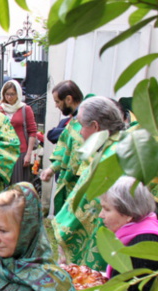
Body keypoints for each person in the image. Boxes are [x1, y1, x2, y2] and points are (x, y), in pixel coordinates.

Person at [52, 96, 126, 270]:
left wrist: (63, 236)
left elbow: (83, 207)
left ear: (95, 126)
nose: (79, 133)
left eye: (81, 126)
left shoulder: (108, 160)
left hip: (104, 241)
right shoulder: (120, 145)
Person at [40, 81, 85, 214]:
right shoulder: (74, 121)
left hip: (82, 183)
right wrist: (51, 169)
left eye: (58, 101)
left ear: (69, 99)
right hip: (71, 182)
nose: (56, 105)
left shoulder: (87, 119)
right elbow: (65, 149)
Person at [0, 79, 37, 184]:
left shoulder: (25, 109)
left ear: (18, 94)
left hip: (20, 152)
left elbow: (32, 132)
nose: (9, 97)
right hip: (3, 151)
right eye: (7, 94)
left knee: (18, 185)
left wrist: (28, 154)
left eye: (12, 94)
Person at [46, 80, 83, 144]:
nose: (56, 106)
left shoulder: (85, 117)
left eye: (57, 102)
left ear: (69, 99)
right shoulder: (69, 120)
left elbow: (52, 135)